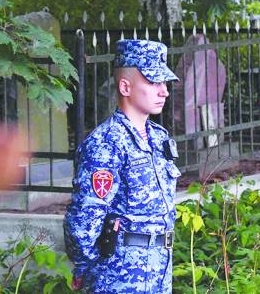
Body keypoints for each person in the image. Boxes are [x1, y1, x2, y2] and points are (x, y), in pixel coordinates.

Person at [64, 39, 181, 293]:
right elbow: (84, 220)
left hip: (161, 270)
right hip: (119, 275)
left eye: (164, 83)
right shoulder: (106, 143)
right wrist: (85, 266)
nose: (164, 91)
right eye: (152, 82)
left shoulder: (159, 138)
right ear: (125, 86)